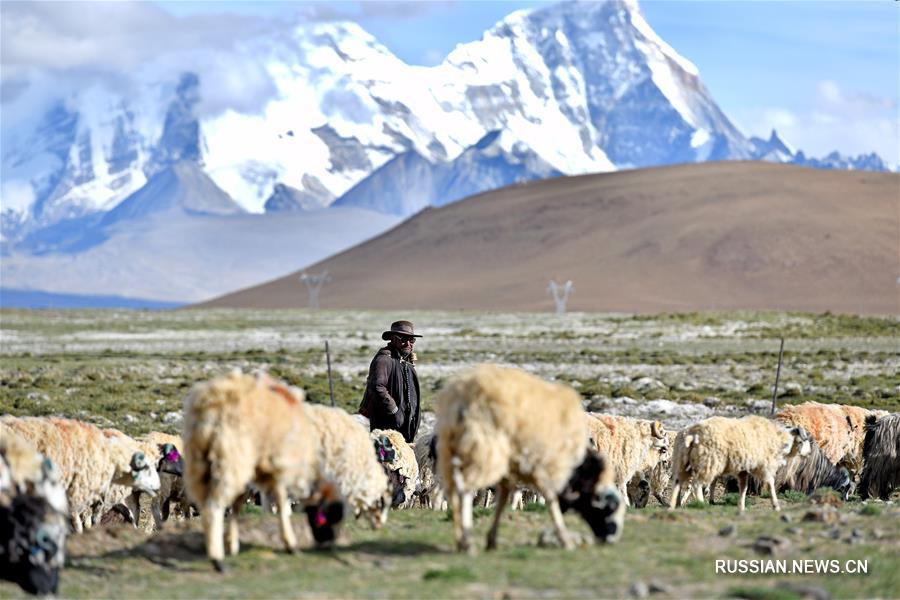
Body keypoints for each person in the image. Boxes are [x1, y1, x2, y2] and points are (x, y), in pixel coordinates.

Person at [358, 320, 422, 443]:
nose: (408, 343)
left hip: (404, 427)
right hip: (387, 428)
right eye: (403, 339)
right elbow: (377, 387)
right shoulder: (384, 360)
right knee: (386, 459)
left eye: (412, 340)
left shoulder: (404, 361)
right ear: (393, 339)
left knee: (404, 460)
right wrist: (394, 411)